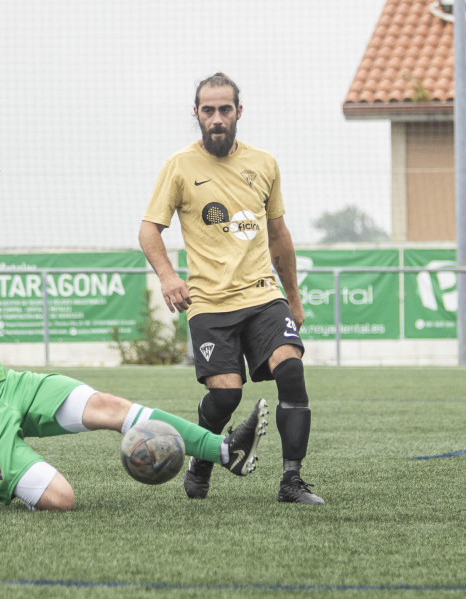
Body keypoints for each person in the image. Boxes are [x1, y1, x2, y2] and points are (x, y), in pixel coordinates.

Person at [0, 162, 268, 513]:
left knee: (110, 407)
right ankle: (7, 474)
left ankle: (226, 452)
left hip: (10, 386)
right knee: (63, 499)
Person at [139, 73, 324, 505]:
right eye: (208, 111)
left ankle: (291, 481)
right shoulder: (179, 167)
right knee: (226, 394)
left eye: (225, 110)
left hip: (262, 295)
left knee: (291, 371)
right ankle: (202, 457)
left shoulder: (264, 164)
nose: (217, 118)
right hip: (208, 302)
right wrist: (169, 277)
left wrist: (293, 299)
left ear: (239, 112)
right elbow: (150, 231)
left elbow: (279, 236)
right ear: (197, 115)